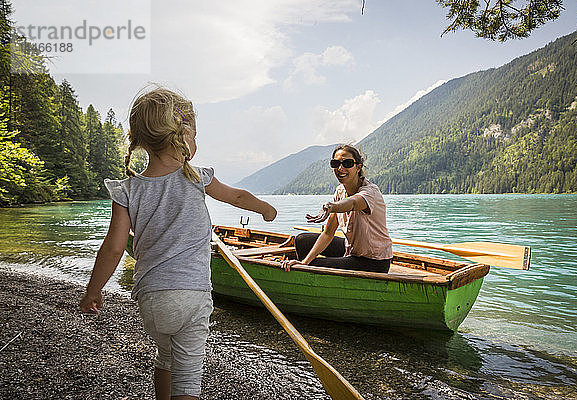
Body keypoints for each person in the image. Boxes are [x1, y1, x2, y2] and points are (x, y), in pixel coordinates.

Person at [79, 87, 277, 400]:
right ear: (183, 135)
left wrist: (93, 290)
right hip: (191, 296)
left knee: (166, 356)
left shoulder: (127, 190)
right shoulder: (197, 177)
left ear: (143, 140)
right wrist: (266, 209)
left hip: (151, 300)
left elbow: (113, 249)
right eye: (195, 134)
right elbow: (237, 196)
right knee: (188, 381)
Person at [281, 145, 393, 273]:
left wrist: (332, 207)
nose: (340, 168)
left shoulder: (370, 192)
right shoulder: (340, 191)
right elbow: (328, 233)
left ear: (358, 167)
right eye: (335, 163)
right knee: (302, 240)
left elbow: (353, 203)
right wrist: (304, 263)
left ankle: (315, 277)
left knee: (314, 264)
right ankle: (310, 278)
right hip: (351, 250)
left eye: (347, 163)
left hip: (374, 261)